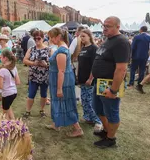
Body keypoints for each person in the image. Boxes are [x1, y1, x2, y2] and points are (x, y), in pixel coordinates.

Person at [91, 16, 130, 148]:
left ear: (118, 27)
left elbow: (121, 68)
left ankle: (111, 139)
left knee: (111, 112)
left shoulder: (121, 42)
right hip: (100, 81)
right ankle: (107, 130)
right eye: (104, 26)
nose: (104, 28)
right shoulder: (109, 40)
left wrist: (113, 90)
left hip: (110, 83)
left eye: (108, 26)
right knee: (97, 107)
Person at [46, 27, 83, 137]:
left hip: (62, 81)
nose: (50, 40)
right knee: (57, 101)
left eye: (52, 37)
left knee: (66, 102)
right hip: (58, 79)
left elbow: (61, 71)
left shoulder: (61, 50)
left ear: (58, 37)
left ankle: (78, 129)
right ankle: (56, 124)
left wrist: (59, 88)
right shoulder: (60, 48)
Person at [77, 29, 102, 132]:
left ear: (89, 36)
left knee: (89, 100)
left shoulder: (94, 48)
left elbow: (95, 66)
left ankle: (98, 120)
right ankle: (88, 117)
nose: (82, 38)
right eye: (80, 36)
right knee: (84, 99)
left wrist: (91, 78)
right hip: (82, 78)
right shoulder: (83, 48)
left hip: (89, 79)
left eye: (83, 36)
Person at [22, 30, 50, 119]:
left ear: (43, 38)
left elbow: (53, 64)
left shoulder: (48, 49)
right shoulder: (31, 49)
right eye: (35, 38)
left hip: (44, 76)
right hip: (33, 76)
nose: (37, 40)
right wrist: (34, 63)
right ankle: (27, 111)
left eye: (39, 38)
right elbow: (25, 60)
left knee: (44, 94)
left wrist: (46, 65)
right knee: (31, 94)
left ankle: (42, 110)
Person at [0, 50, 20, 120]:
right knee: (8, 108)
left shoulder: (2, 70)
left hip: (6, 94)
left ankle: (7, 127)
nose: (0, 58)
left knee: (5, 114)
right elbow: (18, 82)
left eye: (1, 57)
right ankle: (15, 123)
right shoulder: (14, 67)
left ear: (5, 58)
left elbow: (0, 86)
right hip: (14, 92)